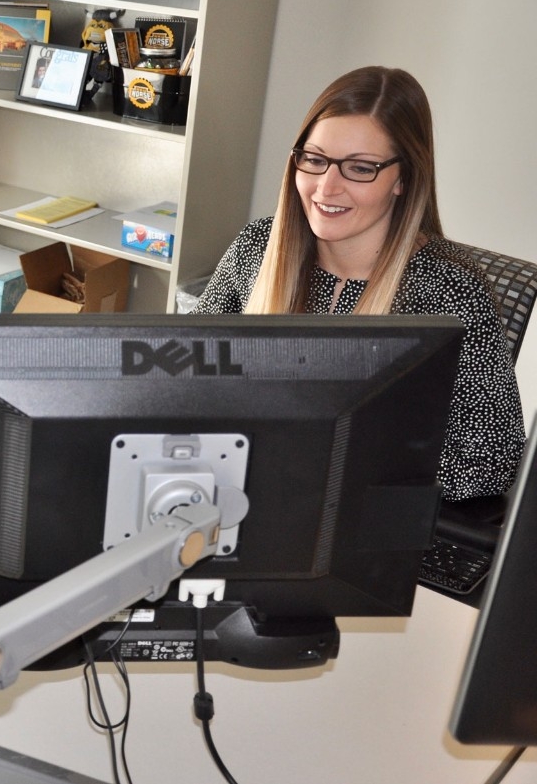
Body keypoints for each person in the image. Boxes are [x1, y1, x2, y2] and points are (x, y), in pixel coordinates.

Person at [193, 65, 525, 502]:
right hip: (243, 492)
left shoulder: (451, 292)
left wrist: (351, 456)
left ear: (403, 178)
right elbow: (185, 372)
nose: (326, 188)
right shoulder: (257, 246)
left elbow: (492, 461)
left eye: (361, 168)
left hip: (359, 515)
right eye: (314, 160)